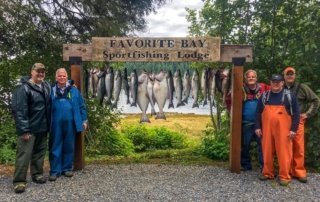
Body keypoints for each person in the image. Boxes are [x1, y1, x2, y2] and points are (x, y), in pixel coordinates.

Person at [12, 63, 51, 193]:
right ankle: (19, 181)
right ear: (32, 72)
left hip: (43, 127)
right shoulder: (23, 88)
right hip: (29, 129)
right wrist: (24, 130)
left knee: (39, 153)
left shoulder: (46, 86)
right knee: (24, 155)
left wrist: (70, 84)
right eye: (38, 71)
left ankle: (37, 174)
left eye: (42, 72)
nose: (40, 74)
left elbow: (59, 86)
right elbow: (19, 110)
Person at [255, 74, 300, 186]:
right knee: (266, 151)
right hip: (267, 129)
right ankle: (267, 173)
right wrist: (257, 127)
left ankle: (284, 176)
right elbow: (257, 112)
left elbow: (297, 114)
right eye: (274, 81)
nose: (276, 83)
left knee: (284, 153)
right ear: (270, 83)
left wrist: (293, 129)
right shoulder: (264, 96)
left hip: (284, 130)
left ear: (282, 83)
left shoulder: (290, 96)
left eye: (278, 82)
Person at [49, 68, 88, 181]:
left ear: (67, 77)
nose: (62, 78)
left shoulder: (74, 90)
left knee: (69, 145)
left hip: (71, 122)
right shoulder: (51, 90)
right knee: (55, 146)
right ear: (56, 77)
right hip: (55, 123)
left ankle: (67, 169)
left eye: (64, 76)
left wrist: (84, 120)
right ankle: (55, 171)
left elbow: (82, 106)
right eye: (59, 76)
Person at [283, 66, 320, 183]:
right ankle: (286, 171)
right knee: (285, 147)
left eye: (291, 74)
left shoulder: (302, 87)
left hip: (298, 120)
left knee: (299, 147)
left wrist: (308, 114)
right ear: (284, 76)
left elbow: (316, 100)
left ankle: (299, 172)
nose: (289, 76)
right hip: (283, 120)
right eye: (287, 74)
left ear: (295, 75)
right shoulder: (279, 87)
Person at [241, 70, 270, 171]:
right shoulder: (240, 88)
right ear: (245, 79)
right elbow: (229, 99)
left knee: (262, 146)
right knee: (245, 145)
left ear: (256, 78)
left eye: (253, 77)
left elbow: (276, 90)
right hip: (246, 123)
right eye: (249, 77)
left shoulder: (264, 87)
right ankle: (246, 165)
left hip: (260, 124)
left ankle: (264, 166)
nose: (251, 78)